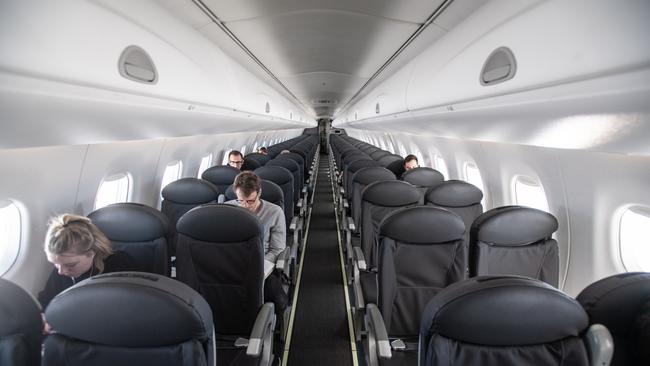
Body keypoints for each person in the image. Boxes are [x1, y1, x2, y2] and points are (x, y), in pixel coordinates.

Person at [38, 214, 136, 320]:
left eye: (71, 265)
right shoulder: (63, 267)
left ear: (92, 252)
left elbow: (129, 310)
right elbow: (46, 301)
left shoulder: (120, 264)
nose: (61, 272)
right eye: (55, 263)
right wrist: (44, 317)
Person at [225, 172, 288, 322]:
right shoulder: (226, 210)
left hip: (262, 265)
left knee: (275, 296)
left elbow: (277, 249)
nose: (246, 206)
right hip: (232, 264)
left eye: (251, 201)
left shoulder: (274, 212)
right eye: (241, 201)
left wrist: (260, 266)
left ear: (259, 193)